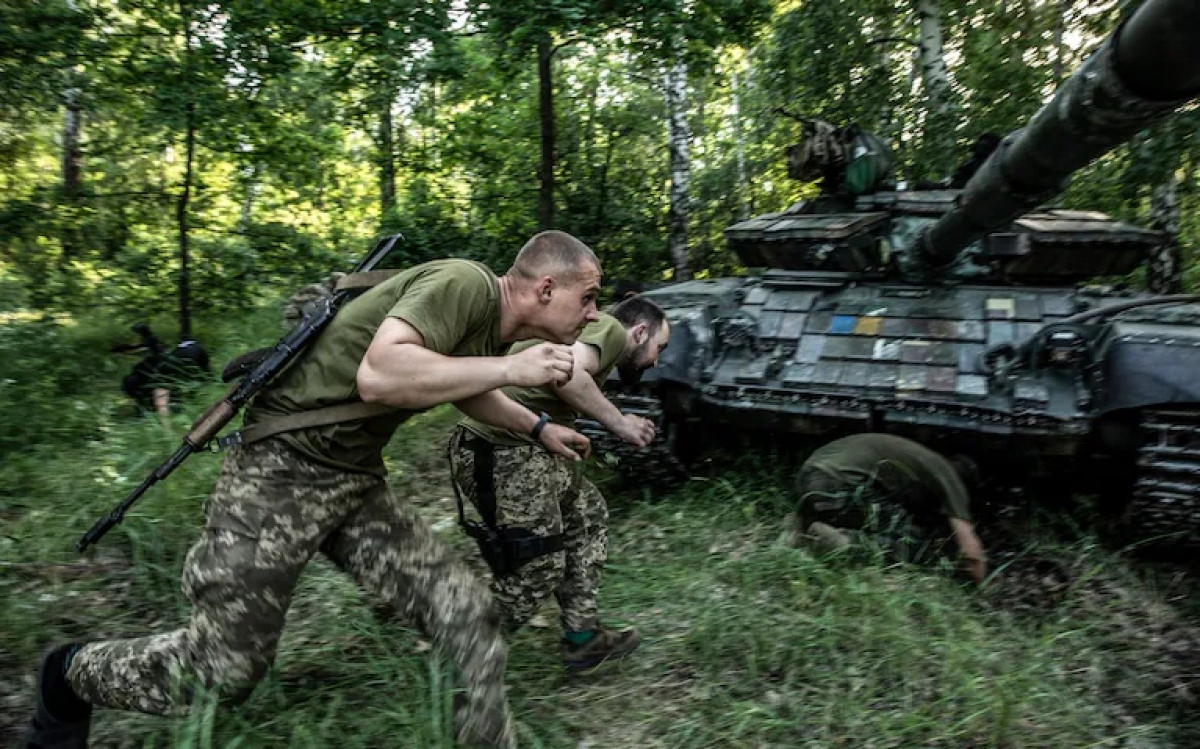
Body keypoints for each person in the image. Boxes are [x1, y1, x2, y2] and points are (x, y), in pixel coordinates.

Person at [26, 230, 603, 749]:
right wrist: (511, 370)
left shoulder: (488, 323)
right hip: (279, 474)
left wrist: (538, 426)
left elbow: (455, 382)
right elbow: (382, 375)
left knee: (466, 616)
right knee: (221, 670)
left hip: (354, 482)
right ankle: (70, 675)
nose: (593, 313)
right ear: (546, 288)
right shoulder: (464, 282)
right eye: (590, 297)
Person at [447, 295, 670, 670]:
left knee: (588, 517)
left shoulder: (592, 336)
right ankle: (459, 647)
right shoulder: (611, 331)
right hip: (499, 448)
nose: (656, 361)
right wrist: (622, 424)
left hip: (527, 448)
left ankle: (583, 639)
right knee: (540, 564)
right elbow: (565, 375)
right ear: (640, 331)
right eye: (658, 348)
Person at [792, 433, 988, 585]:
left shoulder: (919, 458)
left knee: (882, 514)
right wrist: (982, 588)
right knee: (910, 538)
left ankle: (800, 531)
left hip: (808, 478)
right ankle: (841, 543)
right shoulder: (950, 478)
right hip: (837, 485)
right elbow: (971, 552)